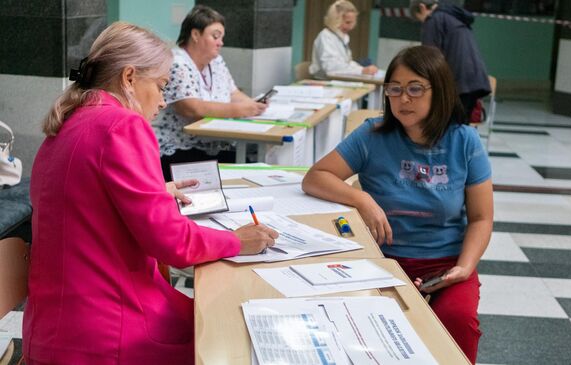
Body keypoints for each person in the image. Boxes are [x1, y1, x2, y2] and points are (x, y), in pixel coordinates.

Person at [25, 22, 278, 364]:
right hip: (109, 331)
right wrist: (238, 241)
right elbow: (172, 244)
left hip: (54, 330)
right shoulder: (123, 126)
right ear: (129, 78)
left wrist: (154, 190)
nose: (162, 101)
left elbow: (84, 198)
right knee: (232, 333)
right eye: (160, 86)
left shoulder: (67, 123)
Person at [302, 45, 493, 364]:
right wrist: (360, 198)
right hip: (382, 261)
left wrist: (465, 267)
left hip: (446, 265)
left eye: (415, 88)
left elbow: (481, 218)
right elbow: (316, 177)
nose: (403, 99)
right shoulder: (371, 135)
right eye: (394, 89)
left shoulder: (464, 140)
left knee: (458, 322)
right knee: (362, 329)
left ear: (440, 90)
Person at [154, 5, 268, 181]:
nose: (220, 42)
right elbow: (191, 108)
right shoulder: (177, 63)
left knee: (252, 168)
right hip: (181, 147)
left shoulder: (216, 61)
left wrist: (255, 106)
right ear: (195, 35)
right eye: (215, 36)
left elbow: (233, 93)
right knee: (242, 174)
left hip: (213, 144)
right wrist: (244, 110)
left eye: (222, 37)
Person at [410, 0, 491, 124]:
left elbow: (429, 58)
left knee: (447, 128)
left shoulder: (433, 19)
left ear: (422, 7)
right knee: (460, 128)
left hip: (458, 82)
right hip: (474, 79)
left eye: (419, 18)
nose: (422, 22)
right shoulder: (454, 17)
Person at [309, 0, 379, 79]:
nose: (351, 27)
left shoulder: (342, 37)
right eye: (347, 22)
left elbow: (346, 63)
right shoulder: (325, 37)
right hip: (324, 82)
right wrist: (361, 70)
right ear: (335, 20)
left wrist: (363, 68)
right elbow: (331, 68)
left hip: (339, 79)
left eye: (353, 22)